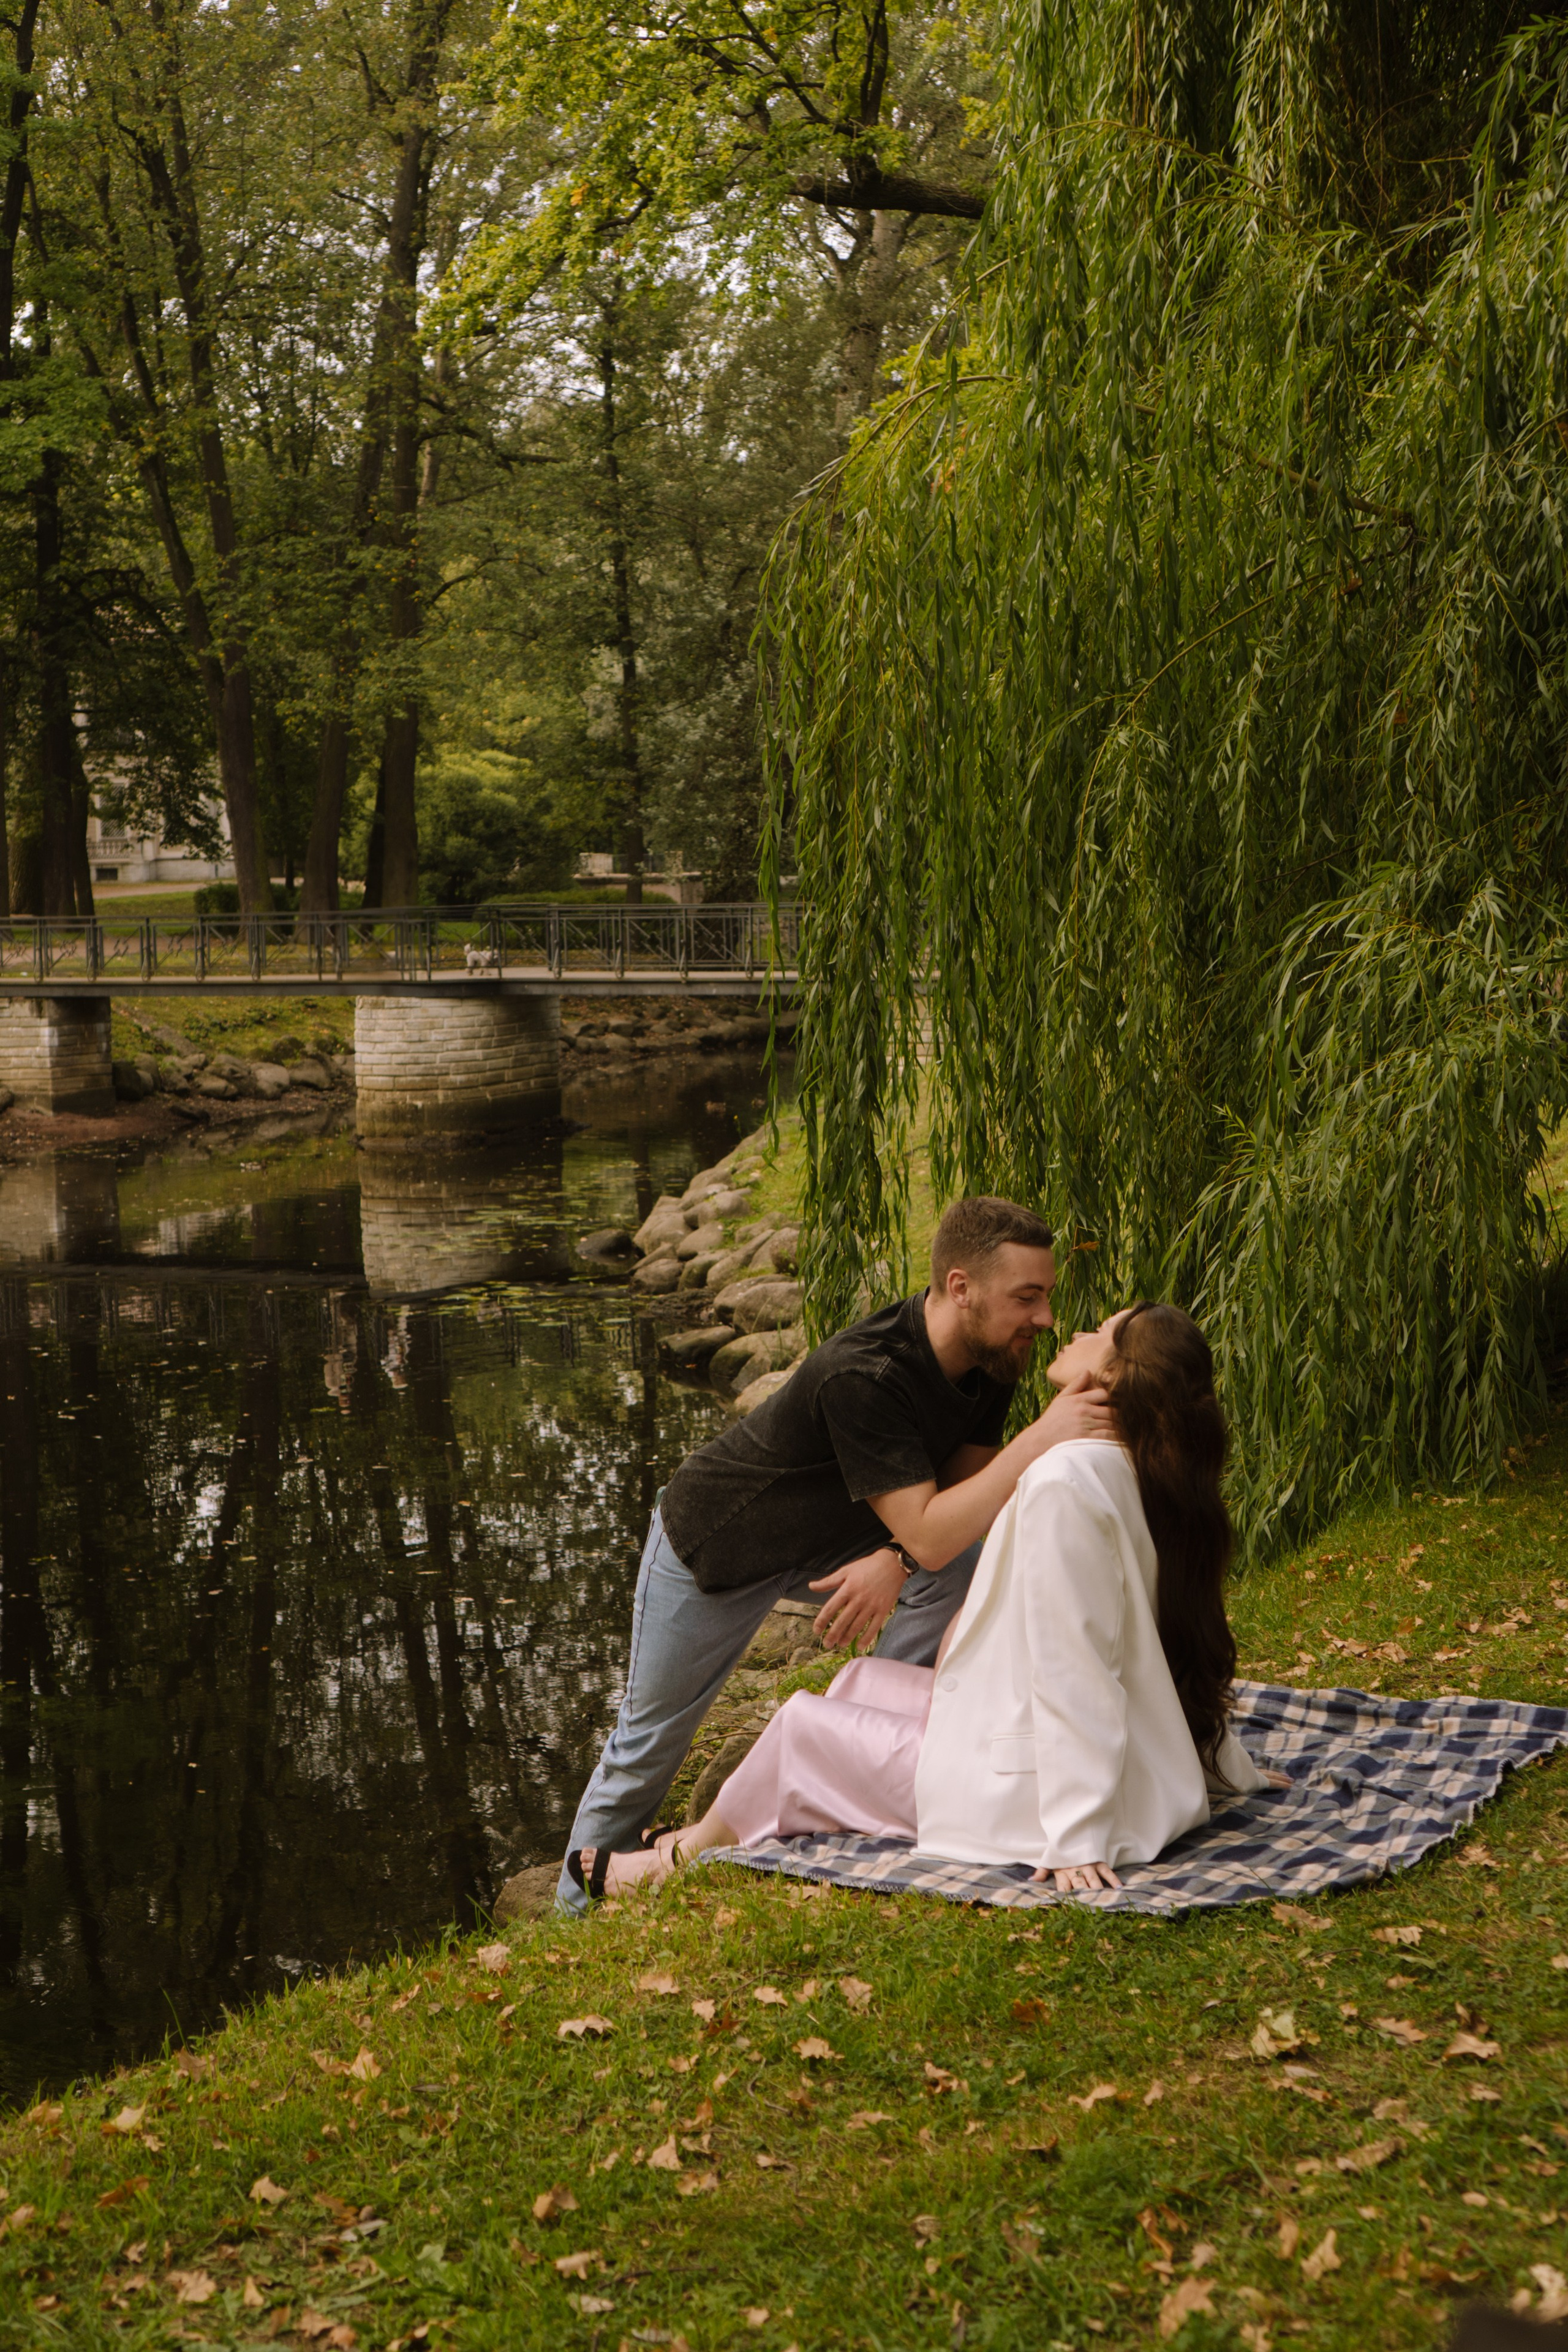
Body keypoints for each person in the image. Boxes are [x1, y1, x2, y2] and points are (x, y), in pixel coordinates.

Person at [576, 1300, 1273, 1898]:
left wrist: (1075, 1833)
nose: (1067, 1331)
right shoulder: (1143, 1461)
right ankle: (698, 1831)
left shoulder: (1067, 1479)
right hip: (1045, 1738)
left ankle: (675, 1861)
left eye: (1096, 1332)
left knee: (800, 1728)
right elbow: (1179, 1636)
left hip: (1029, 1791)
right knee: (856, 1679)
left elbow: (1075, 1664)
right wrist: (1219, 1767)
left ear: (1111, 1375)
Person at [559, 1196, 1117, 1912]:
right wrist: (1037, 1442)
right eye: (1027, 1297)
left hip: (837, 1541)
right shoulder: (867, 1374)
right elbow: (929, 1526)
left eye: (1045, 1297)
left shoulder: (987, 1362)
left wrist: (902, 1557)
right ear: (960, 1288)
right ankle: (570, 1918)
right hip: (716, 1548)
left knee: (958, 1558)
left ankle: (875, 1757)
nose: (1043, 1318)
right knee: (646, 1749)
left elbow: (961, 1500)